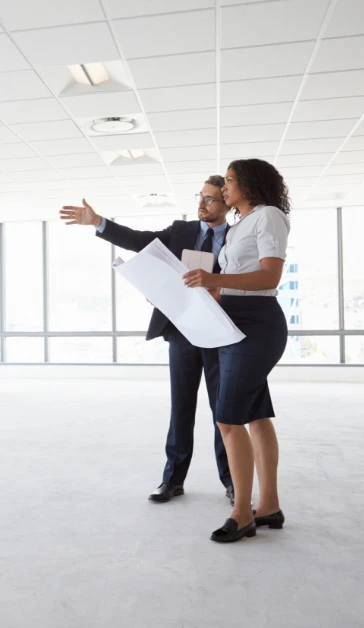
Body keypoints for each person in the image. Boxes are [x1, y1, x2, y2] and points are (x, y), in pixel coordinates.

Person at [59, 176, 235, 504]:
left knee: (222, 411)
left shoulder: (237, 238)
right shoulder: (181, 231)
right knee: (181, 406)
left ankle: (232, 482)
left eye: (211, 199)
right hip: (181, 331)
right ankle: (172, 480)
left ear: (227, 204)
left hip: (219, 333)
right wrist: (98, 222)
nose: (202, 203)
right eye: (200, 196)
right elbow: (138, 240)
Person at [183, 159, 290, 543]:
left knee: (227, 418)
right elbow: (231, 283)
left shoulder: (269, 216)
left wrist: (215, 278)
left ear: (249, 183)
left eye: (229, 180)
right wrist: (205, 289)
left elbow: (269, 275)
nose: (224, 187)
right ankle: (270, 506)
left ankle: (242, 513)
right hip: (230, 321)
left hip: (258, 323)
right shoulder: (238, 226)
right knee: (255, 414)